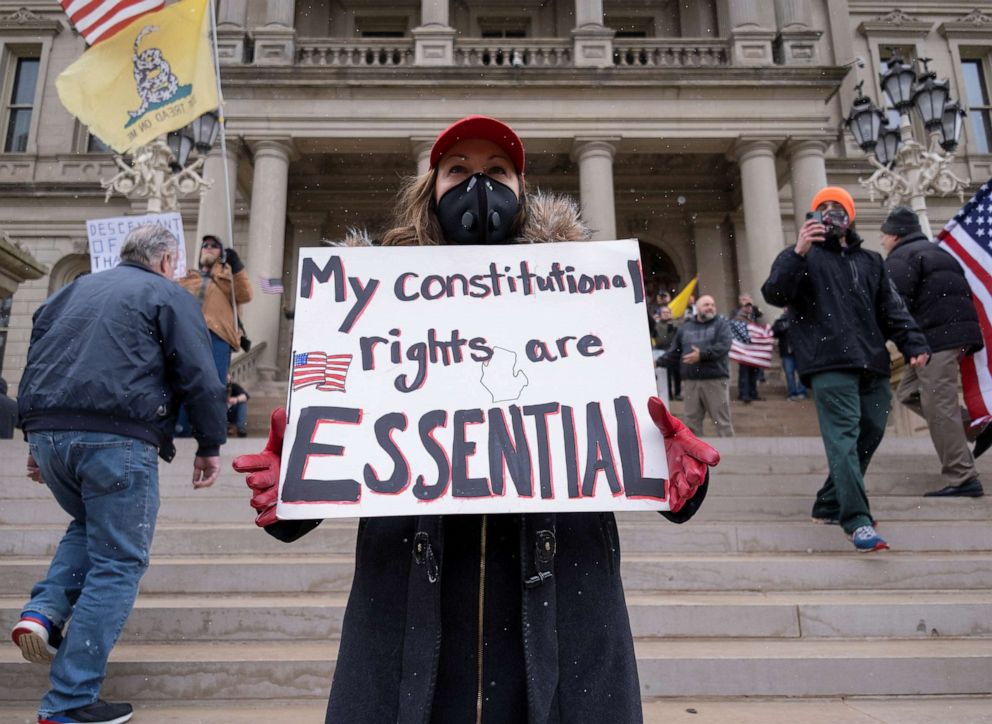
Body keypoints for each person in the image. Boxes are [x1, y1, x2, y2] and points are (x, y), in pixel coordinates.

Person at [232, 116, 721, 724]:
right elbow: (342, 467)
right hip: (416, 625)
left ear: (522, 188)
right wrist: (292, 485)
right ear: (429, 188)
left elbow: (621, 445)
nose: (478, 186)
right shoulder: (369, 305)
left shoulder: (583, 300)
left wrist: (676, 476)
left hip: (556, 619)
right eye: (458, 171)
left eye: (497, 172)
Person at [11, 224, 226, 724]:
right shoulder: (165, 294)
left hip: (50, 433)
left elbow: (36, 357)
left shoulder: (73, 289)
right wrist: (210, 444)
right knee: (119, 563)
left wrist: (32, 436)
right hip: (117, 437)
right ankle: (69, 701)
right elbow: (199, 373)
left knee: (89, 525)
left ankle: (43, 613)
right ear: (168, 261)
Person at [762, 187, 930, 553]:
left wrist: (913, 343)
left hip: (871, 361)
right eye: (823, 208)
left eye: (838, 207)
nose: (831, 213)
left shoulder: (871, 261)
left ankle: (827, 502)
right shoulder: (801, 258)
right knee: (842, 438)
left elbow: (892, 308)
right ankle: (856, 519)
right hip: (828, 363)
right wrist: (798, 251)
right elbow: (774, 293)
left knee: (869, 431)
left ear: (850, 216)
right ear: (813, 216)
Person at [881, 206, 985, 498]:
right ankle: (975, 426)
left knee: (940, 406)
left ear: (895, 235)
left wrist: (878, 343)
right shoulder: (937, 251)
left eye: (884, 235)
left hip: (935, 341)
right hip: (953, 336)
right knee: (908, 393)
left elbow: (892, 306)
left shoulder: (901, 258)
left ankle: (962, 476)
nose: (882, 241)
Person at [176, 234, 252, 435]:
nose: (208, 248)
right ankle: (181, 428)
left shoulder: (228, 280)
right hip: (189, 336)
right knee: (184, 382)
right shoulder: (187, 279)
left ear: (221, 254)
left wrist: (236, 267)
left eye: (214, 246)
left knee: (214, 386)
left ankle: (209, 430)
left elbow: (246, 294)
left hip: (217, 337)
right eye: (205, 246)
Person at [662, 294, 734, 437]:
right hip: (691, 382)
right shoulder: (685, 327)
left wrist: (701, 355)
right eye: (706, 305)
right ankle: (695, 458)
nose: (710, 307)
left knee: (722, 424)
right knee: (690, 425)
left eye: (712, 305)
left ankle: (731, 457)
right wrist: (657, 362)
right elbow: (675, 352)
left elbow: (724, 346)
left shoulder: (721, 324)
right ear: (697, 308)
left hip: (715, 381)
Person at [771, 308, 807, 401]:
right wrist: (783, 327)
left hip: (800, 351)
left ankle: (802, 392)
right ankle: (792, 393)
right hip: (787, 352)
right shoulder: (780, 321)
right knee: (789, 373)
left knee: (802, 373)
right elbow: (773, 333)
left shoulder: (801, 319)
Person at [731, 299, 762, 403]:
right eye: (746, 306)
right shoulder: (738, 319)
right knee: (744, 373)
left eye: (750, 306)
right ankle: (744, 393)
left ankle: (753, 393)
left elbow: (759, 313)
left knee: (753, 373)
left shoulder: (752, 318)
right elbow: (741, 334)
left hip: (753, 351)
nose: (749, 308)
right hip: (744, 351)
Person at [654, 305, 682, 400]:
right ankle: (668, 394)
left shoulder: (675, 324)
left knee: (677, 374)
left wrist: (673, 325)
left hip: (675, 352)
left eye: (667, 312)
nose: (666, 314)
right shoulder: (657, 325)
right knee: (666, 375)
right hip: (662, 352)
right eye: (664, 313)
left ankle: (678, 393)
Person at [227, 373, 251, 438]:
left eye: (227, 375)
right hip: (220, 414)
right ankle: (226, 427)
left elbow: (245, 396)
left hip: (231, 413)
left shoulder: (233, 386)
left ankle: (240, 429)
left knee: (242, 403)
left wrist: (236, 399)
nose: (226, 377)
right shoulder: (217, 387)